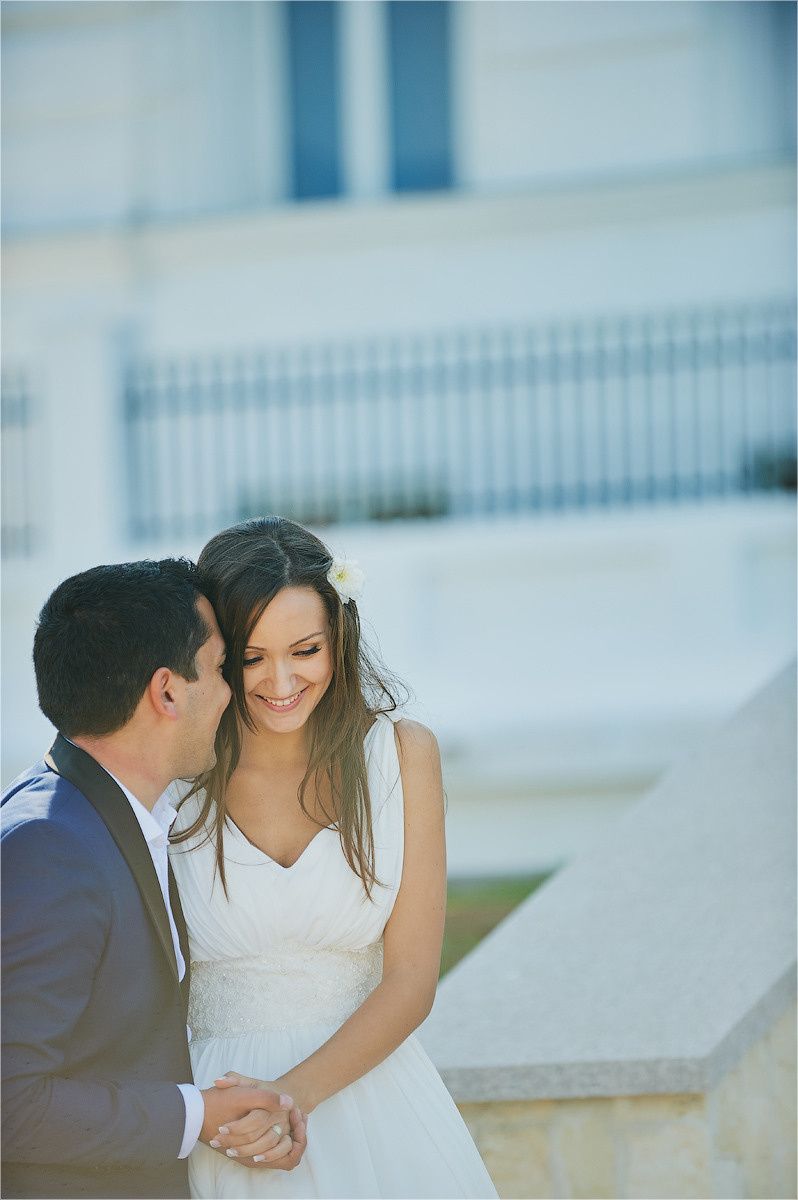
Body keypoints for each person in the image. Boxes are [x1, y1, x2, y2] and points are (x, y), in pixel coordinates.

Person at [169, 518, 498, 1199]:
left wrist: (290, 1098)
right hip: (225, 1118)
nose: (281, 680)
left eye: (306, 649)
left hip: (376, 1105)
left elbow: (411, 981)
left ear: (339, 639)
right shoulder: (175, 779)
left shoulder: (402, 755)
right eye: (251, 657)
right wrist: (228, 1113)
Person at [1, 559, 307, 1200]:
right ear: (168, 691)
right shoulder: (48, 846)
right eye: (223, 667)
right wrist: (196, 1114)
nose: (232, 692)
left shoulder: (110, 818)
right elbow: (10, 1103)